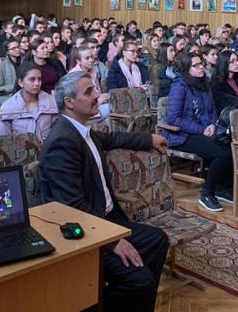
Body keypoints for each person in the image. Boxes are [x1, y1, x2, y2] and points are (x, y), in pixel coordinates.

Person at [40, 71, 169, 312]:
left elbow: (112, 138)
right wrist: (112, 242)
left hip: (106, 219)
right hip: (81, 232)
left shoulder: (80, 130)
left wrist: (148, 139)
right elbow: (71, 207)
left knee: (157, 240)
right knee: (141, 281)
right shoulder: (62, 141)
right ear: (69, 102)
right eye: (89, 92)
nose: (97, 96)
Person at [161, 53, 233, 212]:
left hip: (204, 130)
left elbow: (212, 109)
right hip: (181, 135)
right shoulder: (179, 87)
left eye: (201, 64)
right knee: (222, 153)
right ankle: (207, 194)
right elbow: (173, 119)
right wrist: (202, 129)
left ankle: (220, 187)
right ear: (186, 69)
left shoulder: (204, 84)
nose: (201, 67)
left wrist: (213, 125)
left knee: (230, 144)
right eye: (196, 65)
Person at [0, 62, 58, 142]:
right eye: (32, 79)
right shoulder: (8, 107)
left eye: (39, 79)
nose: (37, 83)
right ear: (21, 82)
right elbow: (1, 140)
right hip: (19, 149)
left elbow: (58, 131)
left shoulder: (51, 102)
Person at [0, 38, 22, 108]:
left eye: (18, 47)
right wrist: (16, 86)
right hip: (7, 98)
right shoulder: (2, 65)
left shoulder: (24, 63)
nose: (17, 50)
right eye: (13, 48)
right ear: (7, 52)